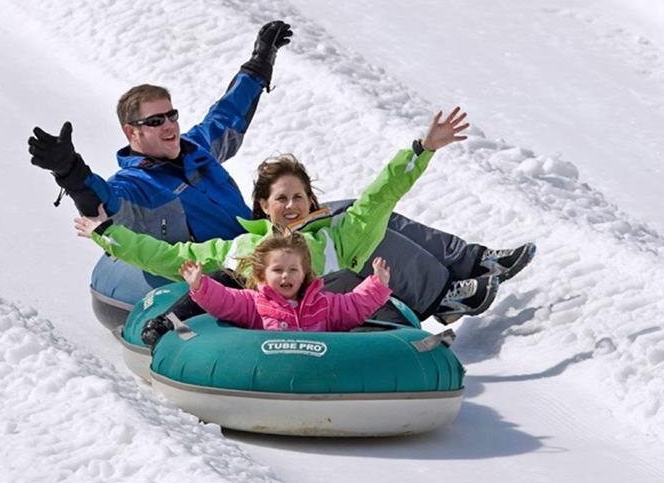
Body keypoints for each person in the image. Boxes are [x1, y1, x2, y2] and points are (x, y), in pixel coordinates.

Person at [30, 20, 535, 327]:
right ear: (131, 130)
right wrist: (70, 170)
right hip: (231, 263)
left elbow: (228, 114)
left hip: (260, 237)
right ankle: (440, 295)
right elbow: (103, 206)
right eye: (155, 120)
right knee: (341, 238)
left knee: (351, 212)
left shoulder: (196, 148)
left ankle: (470, 261)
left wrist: (259, 63)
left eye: (172, 115)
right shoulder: (135, 186)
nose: (169, 125)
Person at [73, 107, 469, 302]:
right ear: (263, 206)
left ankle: (463, 272)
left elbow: (380, 196)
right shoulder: (241, 248)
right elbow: (166, 256)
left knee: (354, 281)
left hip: (334, 326)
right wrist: (106, 234)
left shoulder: (338, 238)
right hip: (269, 336)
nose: (292, 205)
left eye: (299, 196)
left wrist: (422, 148)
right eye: (282, 198)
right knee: (219, 284)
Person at [179, 232, 392, 332]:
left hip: (317, 370)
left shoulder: (323, 304)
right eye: (278, 270)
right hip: (272, 371)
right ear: (263, 275)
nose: (285, 276)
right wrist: (200, 285)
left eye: (293, 270)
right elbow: (226, 300)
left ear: (304, 274)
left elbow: (353, 305)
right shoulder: (254, 303)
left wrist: (376, 284)